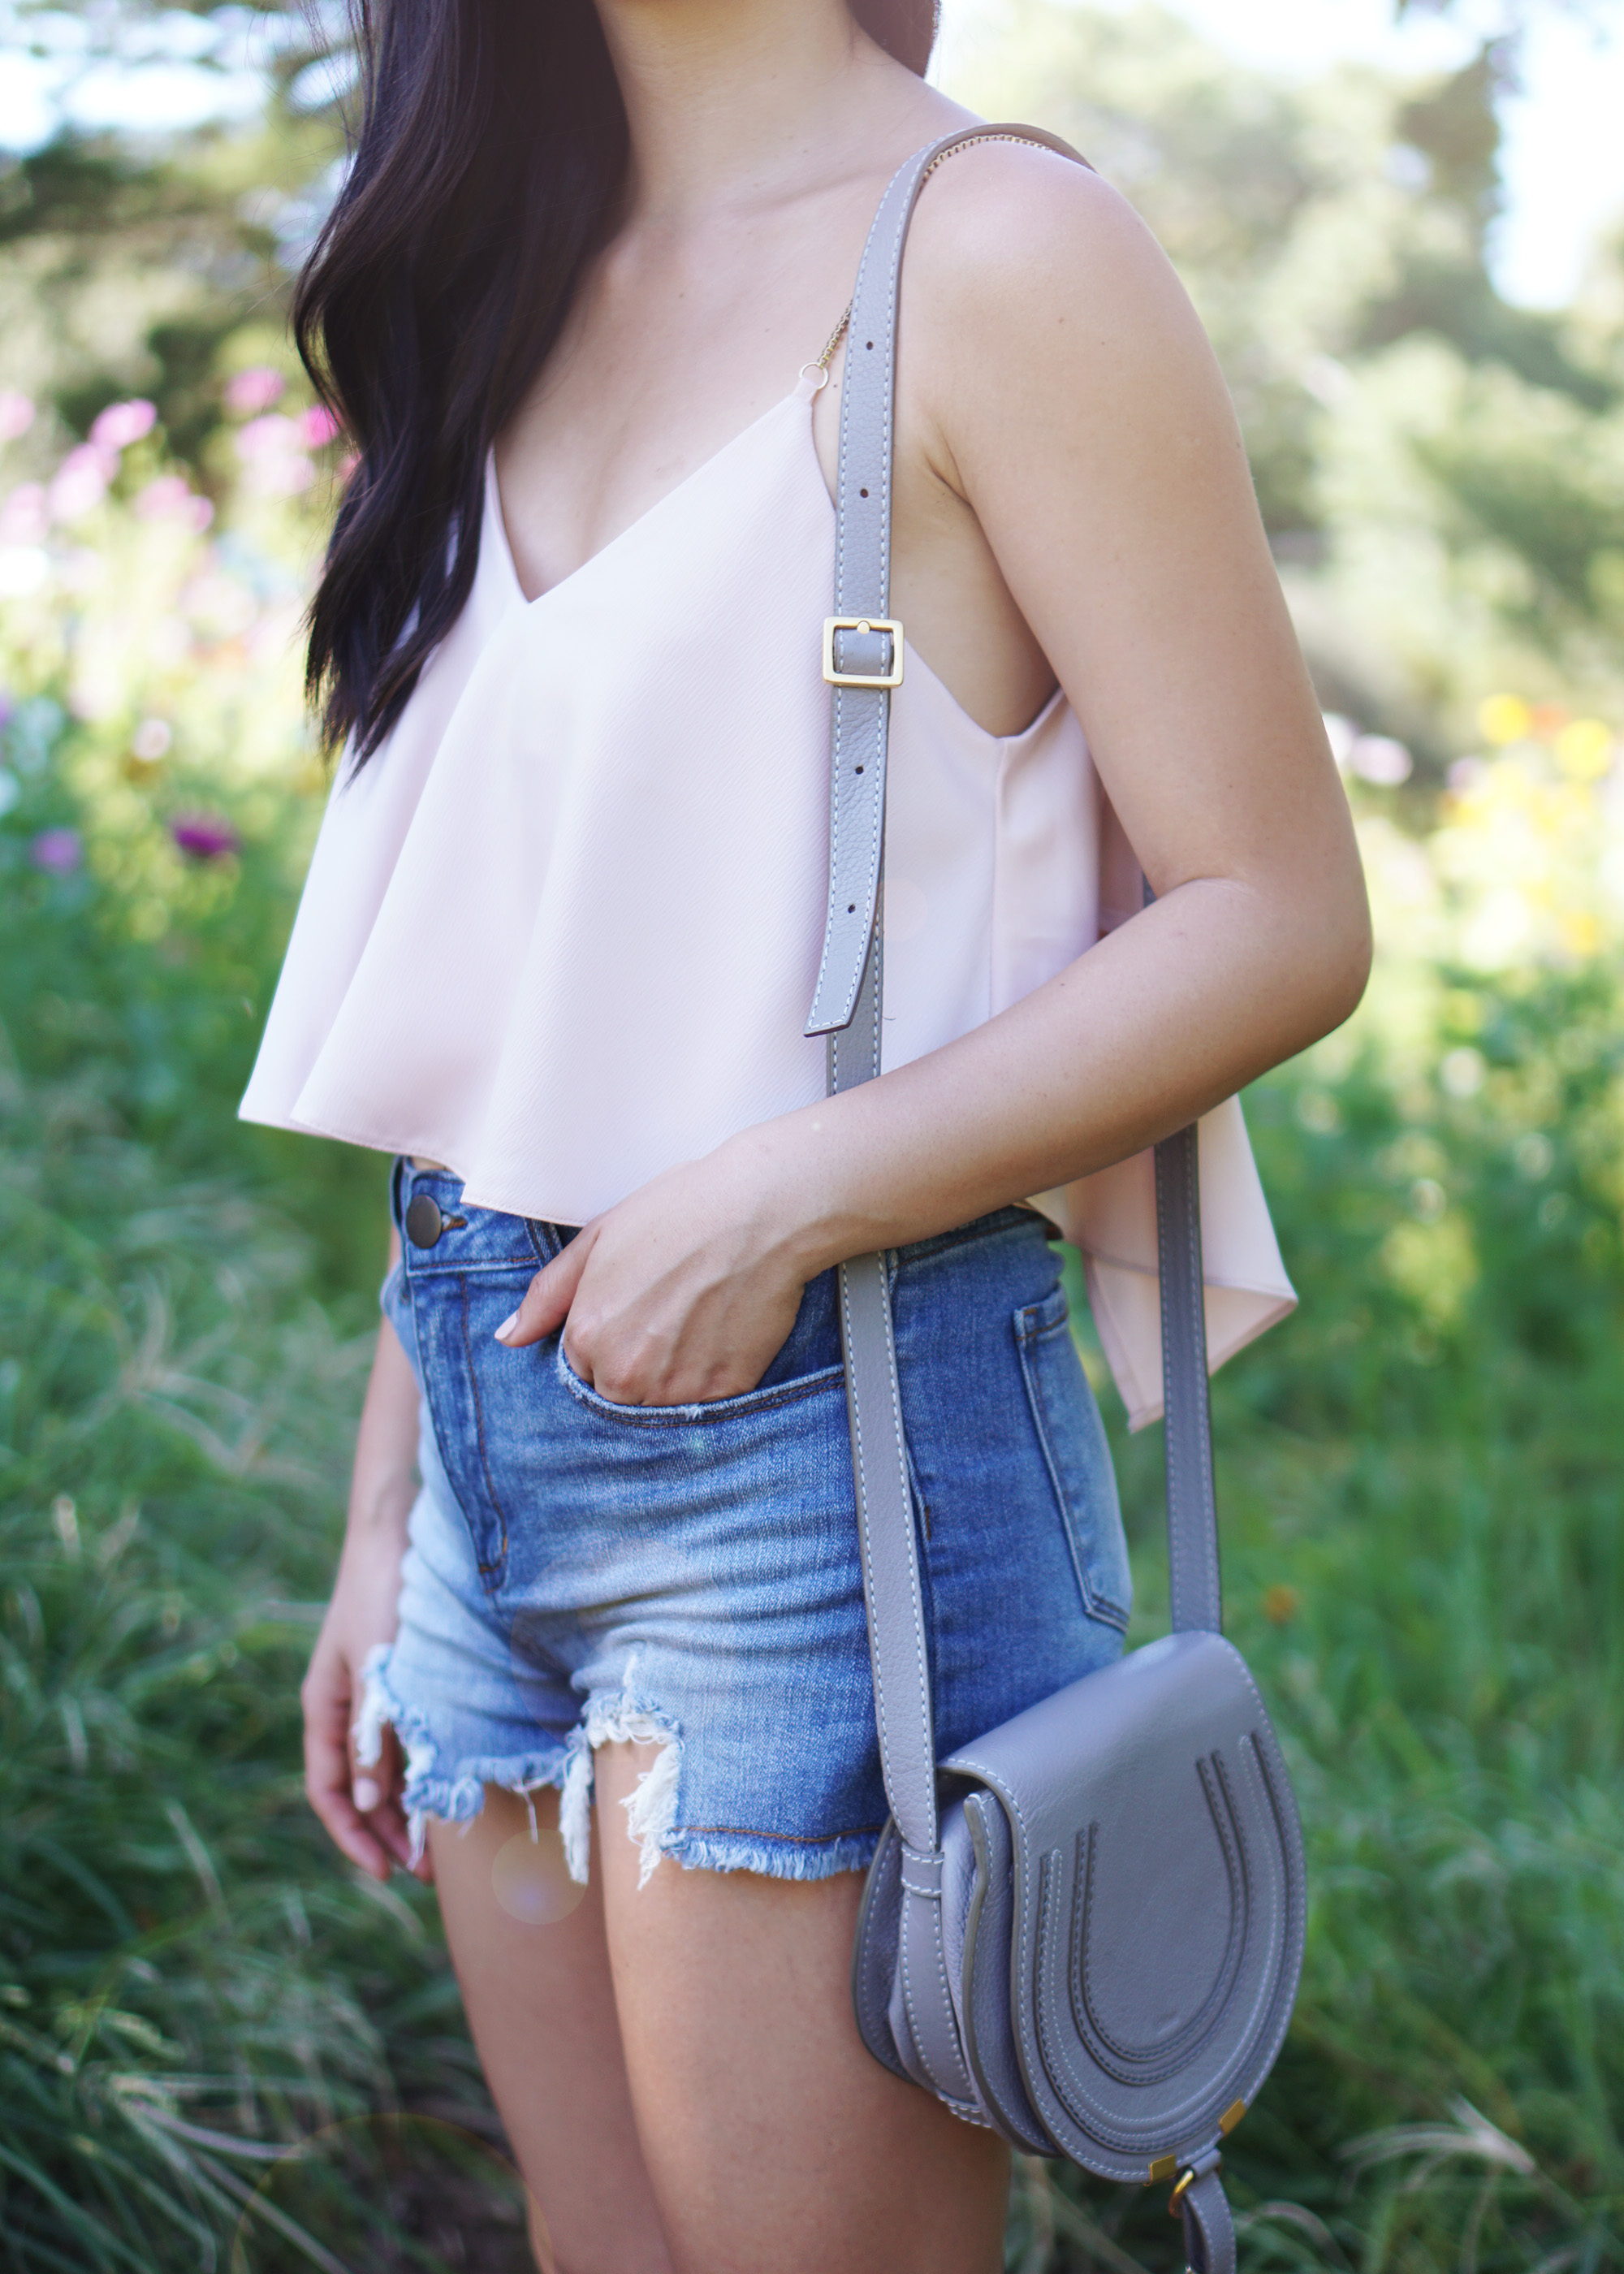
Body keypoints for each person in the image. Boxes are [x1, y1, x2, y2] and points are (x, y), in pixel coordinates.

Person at [240, 0, 1371, 2266]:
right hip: (489, 1413)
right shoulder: (498, 272)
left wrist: (778, 1194)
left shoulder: (995, 252)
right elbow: (518, 1008)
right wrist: (391, 1514)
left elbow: (1278, 913)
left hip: (824, 1439)